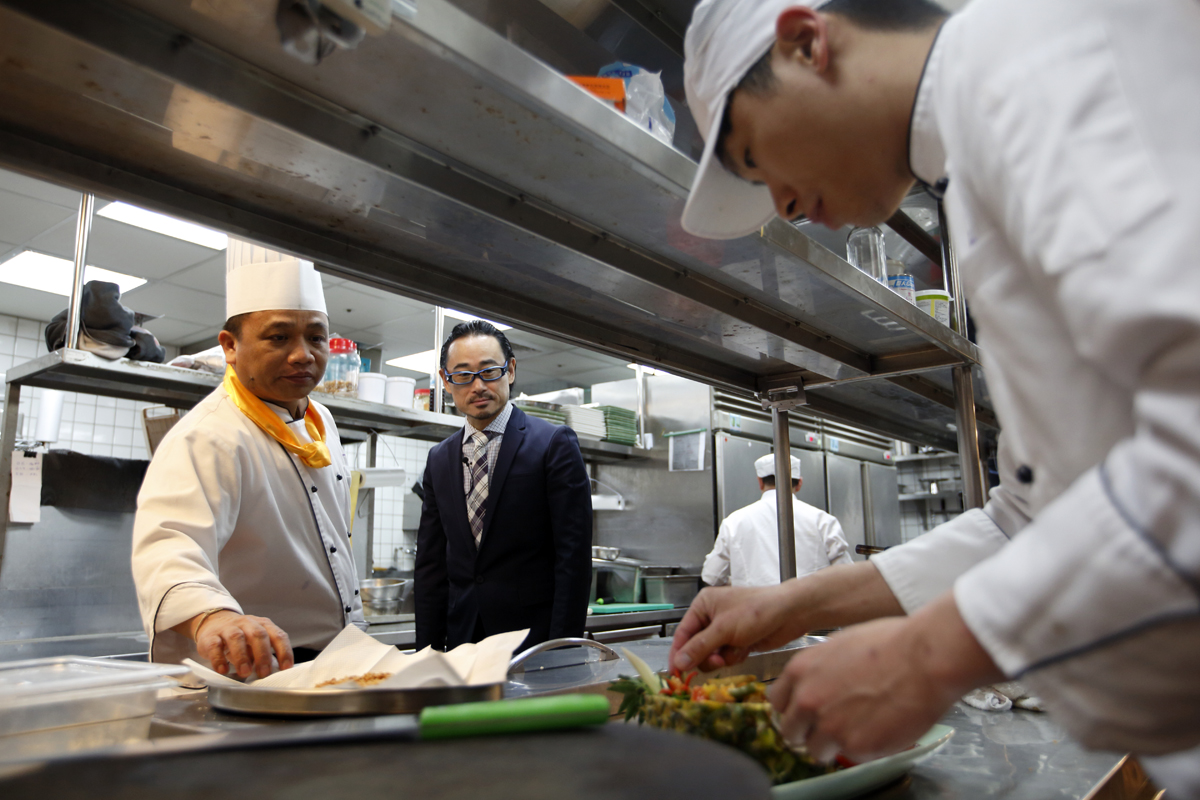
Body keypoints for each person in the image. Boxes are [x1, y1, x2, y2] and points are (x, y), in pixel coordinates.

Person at [668, 0, 1200, 791]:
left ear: (806, 42)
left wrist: (925, 656)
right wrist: (793, 605)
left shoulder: (1058, 53)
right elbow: (1034, 521)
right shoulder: (973, 161)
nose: (781, 203)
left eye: (756, 157)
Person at [132, 240, 362, 679]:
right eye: (279, 337)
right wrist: (212, 616)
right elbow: (169, 543)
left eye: (316, 337)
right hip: (253, 670)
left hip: (333, 661)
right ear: (230, 346)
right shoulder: (209, 434)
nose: (303, 354)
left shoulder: (322, 421)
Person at [414, 321, 592, 652]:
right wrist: (427, 653)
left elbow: (573, 559)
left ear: (509, 370)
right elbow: (430, 565)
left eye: (489, 372)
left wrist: (561, 653)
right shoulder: (439, 458)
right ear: (446, 381)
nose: (478, 386)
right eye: (463, 375)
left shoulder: (553, 444)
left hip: (533, 642)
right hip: (463, 643)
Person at [703, 454, 851, 587]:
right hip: (809, 607)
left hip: (755, 607)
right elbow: (846, 575)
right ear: (799, 483)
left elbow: (711, 576)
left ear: (760, 482)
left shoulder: (734, 522)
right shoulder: (822, 520)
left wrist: (738, 583)